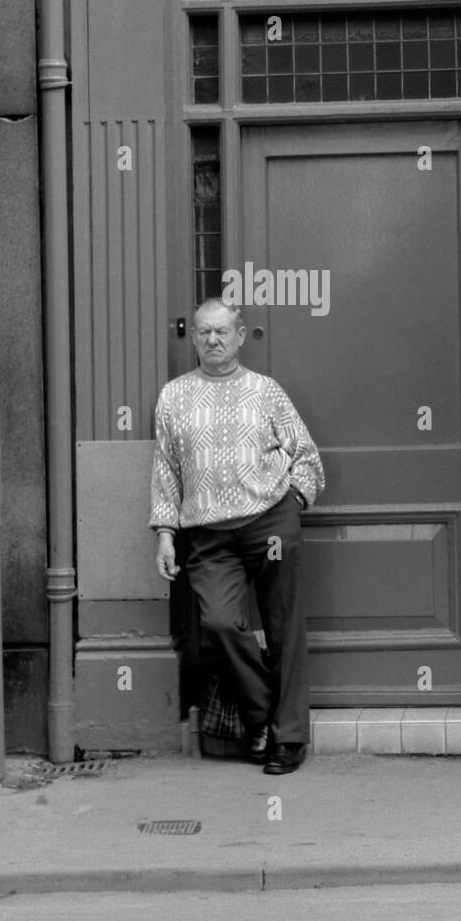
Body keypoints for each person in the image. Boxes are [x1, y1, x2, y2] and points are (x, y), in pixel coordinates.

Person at [150, 298, 325, 774]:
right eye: (203, 333)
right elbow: (166, 470)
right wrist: (165, 532)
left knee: (284, 625)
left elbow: (307, 456)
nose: (211, 340)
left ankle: (287, 740)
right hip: (207, 533)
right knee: (221, 624)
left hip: (269, 522)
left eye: (221, 332)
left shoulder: (266, 392)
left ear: (241, 336)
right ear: (194, 339)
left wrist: (293, 502)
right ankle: (262, 712)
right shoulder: (174, 397)